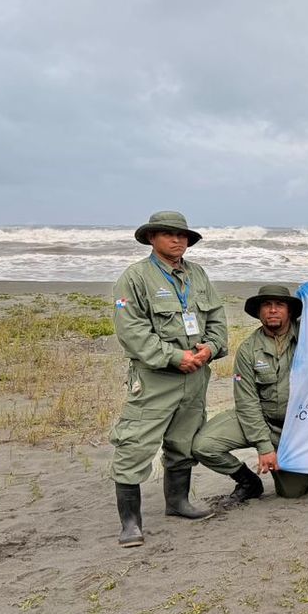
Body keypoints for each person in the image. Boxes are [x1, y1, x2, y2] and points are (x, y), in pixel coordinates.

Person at [110, 211, 228, 547]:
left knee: (184, 442)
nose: (178, 241)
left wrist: (211, 348)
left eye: (183, 236)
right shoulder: (135, 278)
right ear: (151, 238)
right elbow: (131, 331)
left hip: (196, 378)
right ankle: (130, 523)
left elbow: (217, 318)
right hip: (156, 378)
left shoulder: (198, 275)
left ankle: (177, 503)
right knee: (134, 445)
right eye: (169, 234)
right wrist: (175, 357)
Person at [193, 285, 308, 506]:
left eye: (280, 305)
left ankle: (307, 464)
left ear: (290, 311)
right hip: (261, 420)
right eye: (266, 305)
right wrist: (264, 446)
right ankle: (248, 481)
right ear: (259, 312)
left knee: (293, 491)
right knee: (204, 446)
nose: (273, 310)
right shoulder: (248, 349)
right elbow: (247, 402)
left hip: (298, 429)